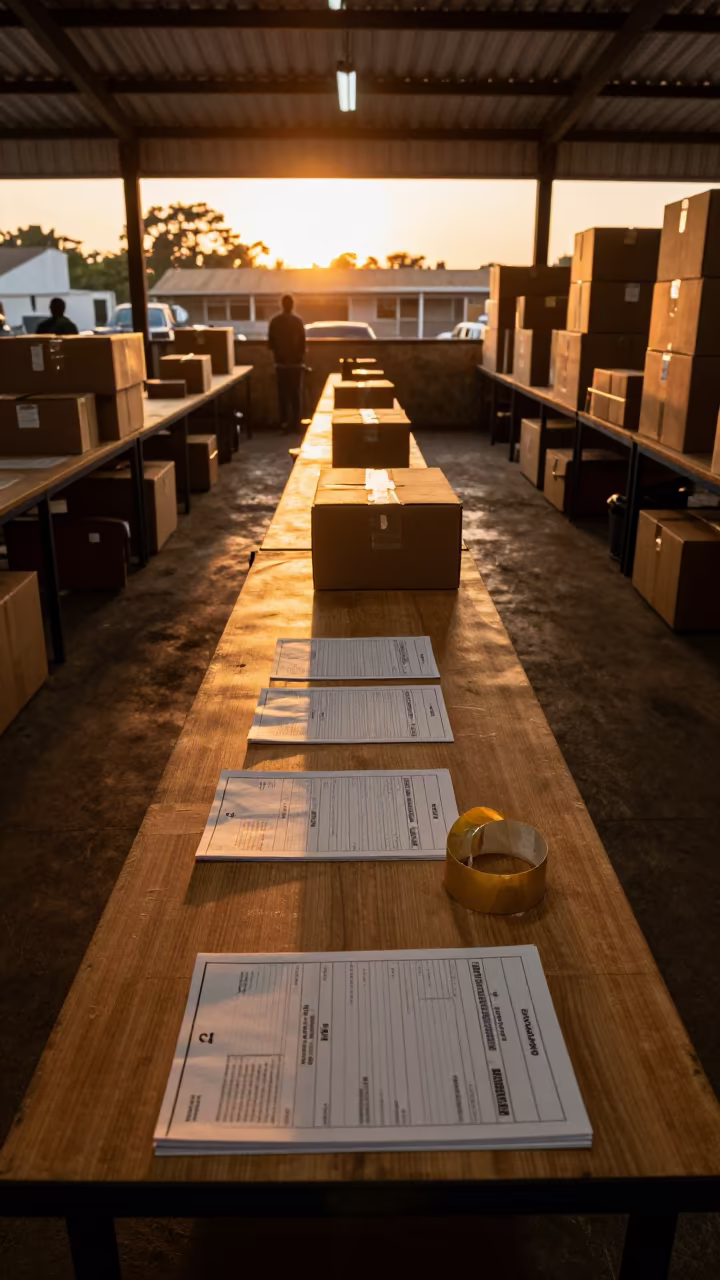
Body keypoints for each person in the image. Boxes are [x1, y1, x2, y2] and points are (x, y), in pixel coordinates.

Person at [268, 294, 306, 434]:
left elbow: (271, 344)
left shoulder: (275, 321)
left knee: (282, 396)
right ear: (292, 305)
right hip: (295, 365)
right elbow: (302, 344)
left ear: (282, 305)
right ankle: (296, 424)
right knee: (295, 395)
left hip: (281, 365)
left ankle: (284, 424)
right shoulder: (298, 322)